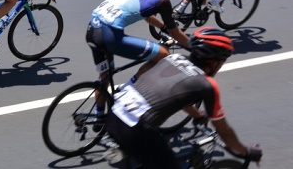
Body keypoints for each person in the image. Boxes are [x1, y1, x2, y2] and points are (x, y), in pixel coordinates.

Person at [106, 27, 263, 169]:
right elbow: (223, 130)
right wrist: (246, 151)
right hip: (135, 131)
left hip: (114, 116)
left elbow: (177, 96)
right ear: (216, 62)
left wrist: (198, 115)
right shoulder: (207, 85)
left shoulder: (172, 59)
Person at [86, 0, 190, 118]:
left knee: (105, 77)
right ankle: (125, 93)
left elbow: (147, 16)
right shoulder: (162, 0)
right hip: (110, 36)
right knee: (163, 54)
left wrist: (162, 29)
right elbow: (175, 32)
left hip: (92, 29)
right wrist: (193, 45)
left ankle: (99, 118)